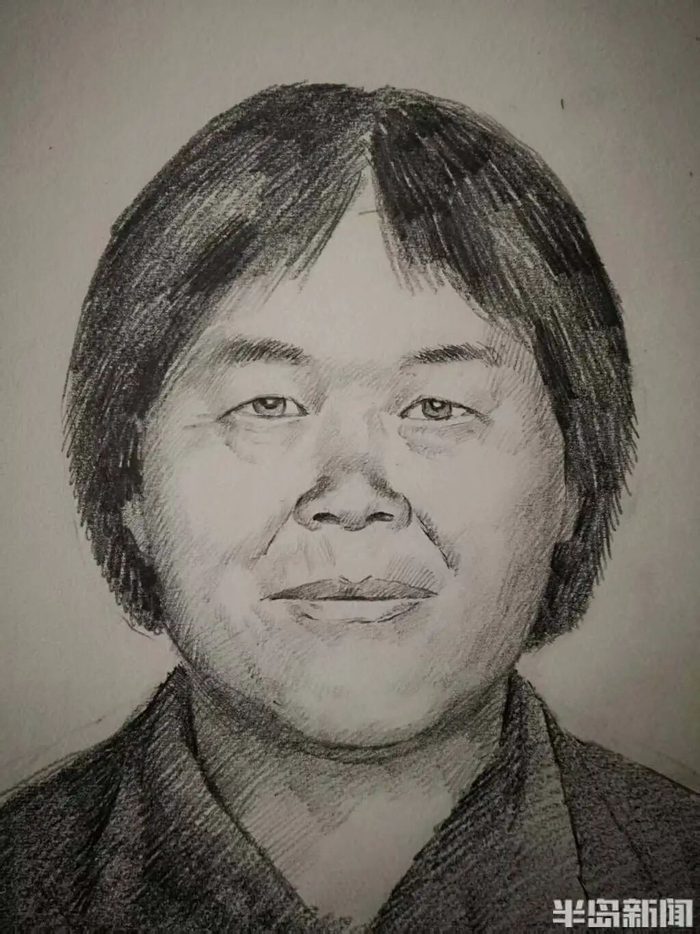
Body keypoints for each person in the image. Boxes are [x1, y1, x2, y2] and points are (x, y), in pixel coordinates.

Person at [0, 83, 697, 932]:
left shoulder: (675, 876)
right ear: (129, 488)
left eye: (437, 407)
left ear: (575, 486)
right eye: (266, 405)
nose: (353, 496)